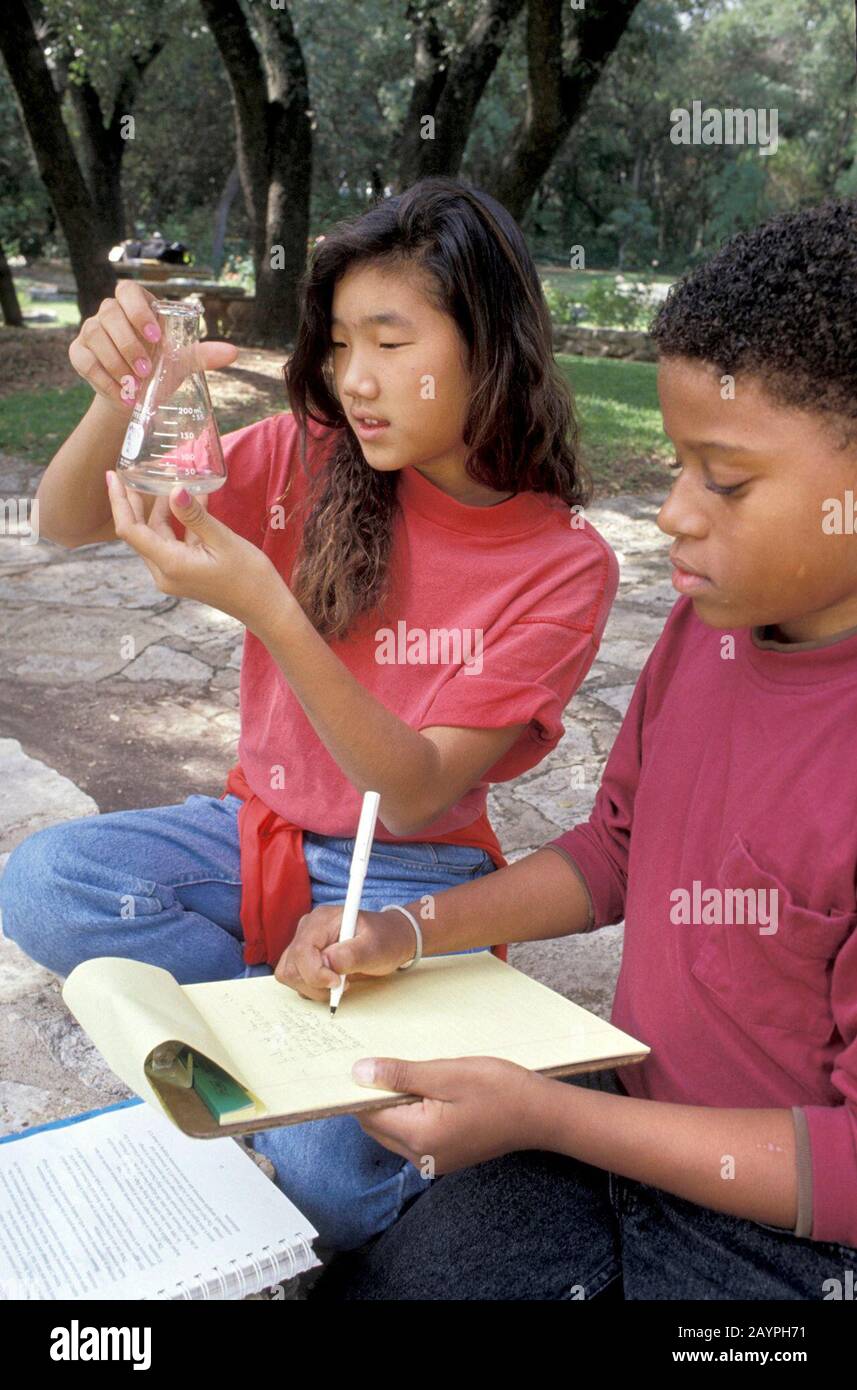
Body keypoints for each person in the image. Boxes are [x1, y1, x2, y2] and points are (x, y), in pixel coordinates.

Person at [0, 177, 618, 1253]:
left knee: (330, 1183)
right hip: (255, 837)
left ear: (491, 343)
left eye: (388, 340)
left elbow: (418, 785)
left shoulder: (562, 565)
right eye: (338, 344)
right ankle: (283, 1016)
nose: (355, 380)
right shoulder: (307, 459)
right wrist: (128, 392)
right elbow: (62, 520)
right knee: (42, 879)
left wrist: (272, 612)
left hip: (412, 873)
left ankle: (295, 1042)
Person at [283, 197, 857, 1299]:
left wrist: (551, 1113)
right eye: (677, 464)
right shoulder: (708, 632)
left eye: (724, 480)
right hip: (623, 1131)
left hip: (789, 1243)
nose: (672, 514)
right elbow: (613, 851)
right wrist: (406, 929)